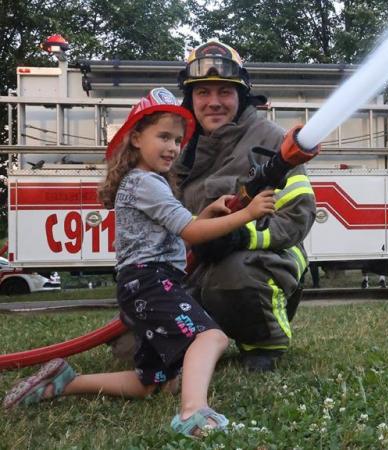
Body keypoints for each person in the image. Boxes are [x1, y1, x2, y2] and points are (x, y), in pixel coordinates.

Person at [2, 88, 276, 437]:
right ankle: (194, 413)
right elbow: (191, 233)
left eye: (178, 140)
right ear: (135, 138)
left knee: (154, 383)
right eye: (163, 136)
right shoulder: (146, 183)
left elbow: (180, 228)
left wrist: (209, 211)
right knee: (210, 338)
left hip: (142, 285)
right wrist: (248, 213)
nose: (173, 148)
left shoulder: (147, 182)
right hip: (150, 282)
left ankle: (65, 382)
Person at [173, 40, 316, 372]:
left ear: (242, 95)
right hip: (192, 265)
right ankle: (203, 337)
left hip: (258, 261)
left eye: (224, 91)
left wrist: (241, 236)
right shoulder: (177, 146)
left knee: (233, 276)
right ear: (190, 98)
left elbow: (298, 215)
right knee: (131, 341)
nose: (213, 102)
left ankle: (263, 342)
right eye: (203, 93)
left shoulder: (271, 141)